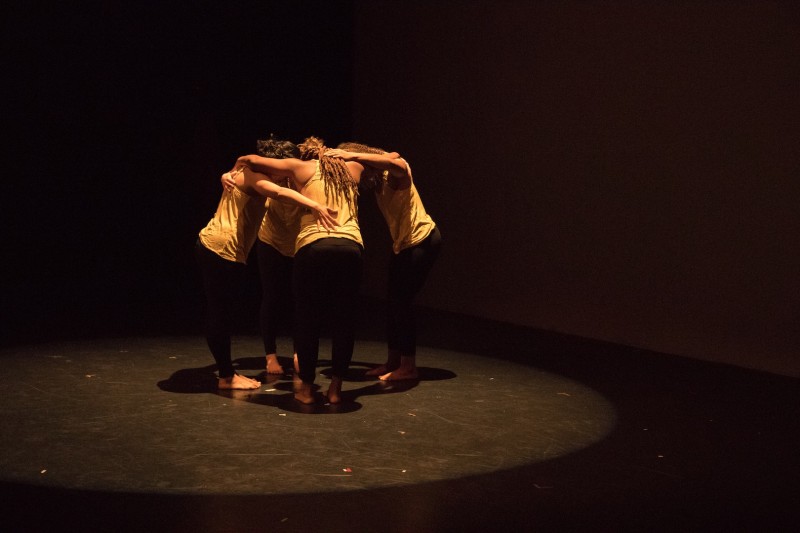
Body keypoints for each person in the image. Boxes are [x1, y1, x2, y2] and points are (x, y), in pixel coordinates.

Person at [196, 137, 339, 390]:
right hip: (222, 249)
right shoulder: (254, 176)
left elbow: (244, 165)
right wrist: (315, 204)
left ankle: (226, 374)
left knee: (220, 311)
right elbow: (278, 192)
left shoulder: (242, 172)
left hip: (215, 245)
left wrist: (227, 172)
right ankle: (227, 377)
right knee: (220, 314)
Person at [235, 137, 365, 404]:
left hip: (313, 246)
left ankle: (306, 389)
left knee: (308, 318)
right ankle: (336, 389)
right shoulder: (355, 169)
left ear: (307, 156)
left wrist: (233, 169)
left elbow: (252, 160)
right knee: (345, 320)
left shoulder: (300, 168)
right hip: (351, 247)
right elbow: (388, 159)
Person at [325, 144, 442, 381]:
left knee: (402, 303)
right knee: (392, 303)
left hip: (422, 241)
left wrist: (351, 155)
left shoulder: (395, 173)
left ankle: (408, 367)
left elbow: (395, 162)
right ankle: (393, 362)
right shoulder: (379, 183)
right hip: (403, 245)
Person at [222, 136, 301, 376]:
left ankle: (300, 353)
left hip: (299, 242)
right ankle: (271, 356)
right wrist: (228, 172)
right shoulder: (264, 176)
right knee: (272, 298)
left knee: (301, 300)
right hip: (271, 240)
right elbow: (244, 166)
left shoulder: (300, 173)